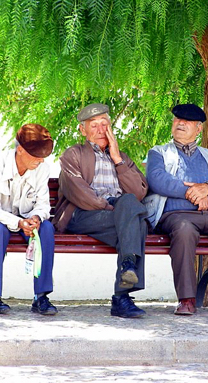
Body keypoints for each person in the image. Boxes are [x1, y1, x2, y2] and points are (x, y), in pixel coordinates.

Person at [145, 104, 208, 315]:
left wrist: (207, 188)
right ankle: (187, 299)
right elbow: (158, 181)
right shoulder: (159, 153)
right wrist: (194, 193)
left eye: (187, 121)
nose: (180, 123)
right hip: (175, 214)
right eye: (177, 120)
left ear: (198, 129)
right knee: (184, 231)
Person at [52, 103, 149, 318]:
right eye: (93, 125)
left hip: (114, 218)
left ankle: (127, 269)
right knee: (133, 217)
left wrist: (117, 160)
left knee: (134, 216)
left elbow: (139, 192)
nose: (100, 129)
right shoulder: (73, 154)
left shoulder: (122, 157)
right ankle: (122, 297)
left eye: (104, 124)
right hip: (82, 214)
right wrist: (115, 208)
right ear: (82, 130)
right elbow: (80, 194)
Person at [0, 123, 57, 315]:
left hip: (25, 219)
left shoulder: (42, 168)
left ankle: (41, 297)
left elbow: (44, 204)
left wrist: (36, 217)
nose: (41, 161)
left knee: (47, 229)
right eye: (36, 157)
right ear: (20, 150)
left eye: (43, 157)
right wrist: (18, 223)